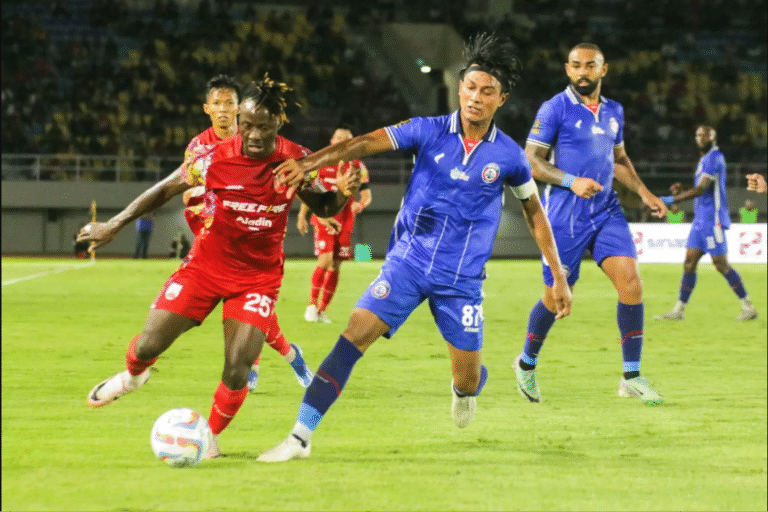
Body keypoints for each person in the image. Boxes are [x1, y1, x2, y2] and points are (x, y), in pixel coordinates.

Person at [257, 33, 572, 463]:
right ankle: (299, 437)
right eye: (470, 87)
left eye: (487, 92)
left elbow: (535, 213)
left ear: (502, 99)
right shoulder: (427, 130)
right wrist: (309, 163)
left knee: (466, 377)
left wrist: (557, 275)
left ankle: (467, 388)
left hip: (461, 282)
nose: (475, 98)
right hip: (407, 263)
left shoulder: (511, 156)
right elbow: (363, 143)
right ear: (459, 87)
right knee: (352, 337)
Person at [77, 76, 362, 458]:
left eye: (264, 126)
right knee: (149, 344)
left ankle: (207, 437)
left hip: (258, 278)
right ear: (239, 123)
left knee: (237, 369)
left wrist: (343, 193)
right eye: (247, 126)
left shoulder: (295, 160)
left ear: (279, 122)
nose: (254, 135)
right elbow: (164, 188)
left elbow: (325, 208)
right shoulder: (214, 157)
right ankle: (132, 376)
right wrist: (114, 223)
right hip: (205, 266)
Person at [512, 43, 668, 407]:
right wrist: (570, 181)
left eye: (590, 66)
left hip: (606, 210)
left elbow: (620, 159)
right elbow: (530, 160)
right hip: (564, 215)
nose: (583, 72)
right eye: (577, 66)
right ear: (568, 70)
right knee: (555, 298)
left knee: (630, 283)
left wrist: (645, 194)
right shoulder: (555, 108)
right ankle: (526, 363)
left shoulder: (614, 111)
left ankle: (631, 376)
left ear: (603, 70)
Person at [179, 74, 313, 393]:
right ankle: (285, 358)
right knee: (248, 308)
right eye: (217, 104)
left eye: (230, 104)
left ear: (240, 109)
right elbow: (187, 191)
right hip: (215, 237)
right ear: (207, 109)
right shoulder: (199, 147)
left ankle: (260, 363)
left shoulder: (261, 144)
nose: (224, 110)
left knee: (251, 307)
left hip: (256, 239)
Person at [655, 126, 758, 322]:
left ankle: (748, 307)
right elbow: (699, 189)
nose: (700, 138)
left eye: (705, 135)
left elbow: (701, 190)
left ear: (713, 138)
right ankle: (679, 311)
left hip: (713, 220)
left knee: (721, 264)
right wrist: (683, 188)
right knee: (689, 262)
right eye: (698, 135)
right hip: (700, 220)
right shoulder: (704, 159)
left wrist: (670, 200)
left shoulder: (714, 158)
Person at [297, 127, 373, 323]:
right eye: (337, 138)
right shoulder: (321, 162)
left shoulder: (358, 167)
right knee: (325, 260)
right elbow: (309, 193)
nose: (340, 142)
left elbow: (366, 195)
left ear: (351, 142)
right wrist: (302, 215)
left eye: (345, 139)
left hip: (345, 219)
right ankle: (311, 305)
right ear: (331, 140)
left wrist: (360, 204)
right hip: (324, 215)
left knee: (337, 265)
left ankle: (322, 311)